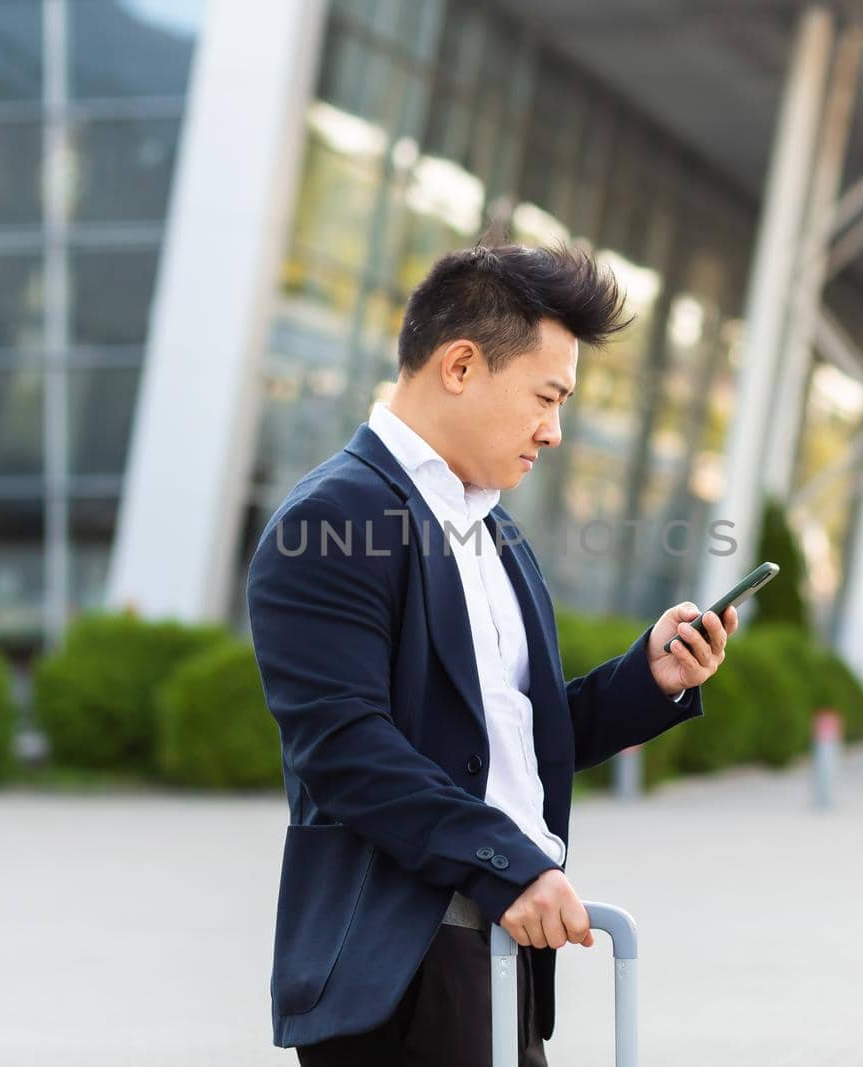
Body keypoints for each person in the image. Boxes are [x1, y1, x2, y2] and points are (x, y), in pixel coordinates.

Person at [246, 245, 738, 1065]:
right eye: (546, 397)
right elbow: (345, 750)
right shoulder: (328, 523)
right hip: (400, 976)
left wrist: (645, 679)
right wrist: (509, 866)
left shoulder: (495, 530)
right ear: (461, 365)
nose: (553, 430)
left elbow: (503, 742)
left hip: (500, 954)